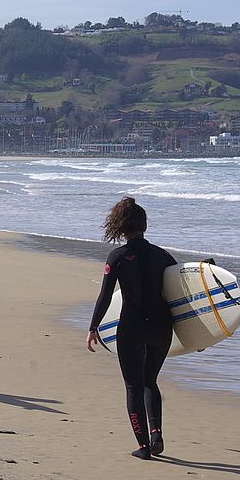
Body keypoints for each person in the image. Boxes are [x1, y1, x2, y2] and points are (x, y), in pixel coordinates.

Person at [86, 197, 176, 460]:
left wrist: (93, 328)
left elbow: (105, 297)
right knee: (150, 381)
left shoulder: (118, 257)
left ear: (120, 226)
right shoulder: (164, 256)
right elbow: (179, 294)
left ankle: (144, 446)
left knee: (133, 387)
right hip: (161, 327)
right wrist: (197, 335)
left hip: (132, 327)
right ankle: (157, 433)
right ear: (143, 225)